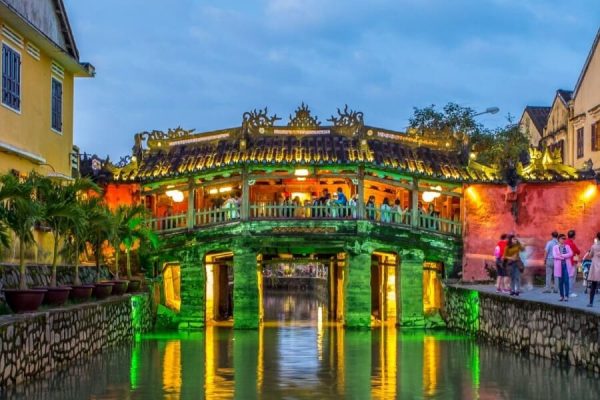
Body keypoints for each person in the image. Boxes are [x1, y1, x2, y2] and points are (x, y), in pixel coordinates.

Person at [553, 234, 574, 302]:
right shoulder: (555, 247)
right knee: (560, 282)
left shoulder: (567, 246)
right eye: (562, 238)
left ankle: (566, 296)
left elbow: (571, 253)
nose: (564, 240)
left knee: (566, 281)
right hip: (559, 266)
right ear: (559, 239)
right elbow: (555, 256)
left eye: (564, 238)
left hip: (566, 266)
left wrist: (562, 255)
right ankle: (561, 296)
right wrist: (563, 256)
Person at [584, 233, 600, 307]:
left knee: (593, 285)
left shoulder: (594, 246)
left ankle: (591, 302)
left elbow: (590, 255)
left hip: (595, 266)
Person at [565, 230, 581, 297]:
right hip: (571, 262)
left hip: (564, 262)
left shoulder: (564, 242)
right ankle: (570, 292)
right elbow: (578, 251)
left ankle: (565, 291)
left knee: (566, 277)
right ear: (573, 236)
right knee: (571, 277)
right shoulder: (572, 244)